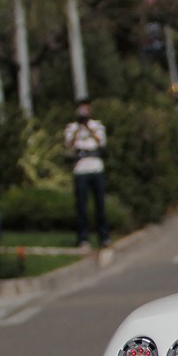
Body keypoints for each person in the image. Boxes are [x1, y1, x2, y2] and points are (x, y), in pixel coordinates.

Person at [65, 98, 110, 248]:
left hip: (96, 167)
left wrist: (88, 128)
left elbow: (101, 142)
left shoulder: (97, 125)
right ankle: (83, 238)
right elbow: (69, 145)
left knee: (100, 205)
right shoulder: (72, 128)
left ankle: (104, 237)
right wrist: (79, 127)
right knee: (81, 207)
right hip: (80, 168)